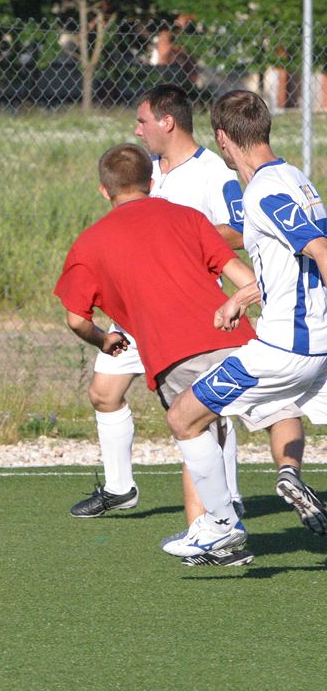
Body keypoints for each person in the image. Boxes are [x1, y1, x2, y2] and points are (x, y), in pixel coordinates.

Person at [55, 143, 273, 565]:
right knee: (263, 417)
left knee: (194, 430)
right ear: (152, 182)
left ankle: (211, 533)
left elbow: (76, 319)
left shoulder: (90, 242)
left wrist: (103, 340)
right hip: (238, 341)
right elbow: (247, 279)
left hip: (176, 352)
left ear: (103, 190)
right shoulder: (188, 217)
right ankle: (266, 491)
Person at [162, 90, 327, 559]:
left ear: (222, 138)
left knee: (183, 416)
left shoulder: (265, 191)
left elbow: (320, 251)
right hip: (312, 345)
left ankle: (219, 525)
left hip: (284, 350)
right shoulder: (296, 178)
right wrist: (242, 295)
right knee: (260, 410)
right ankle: (281, 478)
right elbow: (292, 265)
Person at [71, 84, 247, 521]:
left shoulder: (213, 172)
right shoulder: (144, 171)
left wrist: (178, 241)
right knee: (104, 393)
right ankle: (120, 488)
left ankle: (226, 498)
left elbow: (241, 230)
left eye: (142, 120)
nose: (137, 129)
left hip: (188, 309)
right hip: (136, 307)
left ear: (167, 122)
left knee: (208, 408)